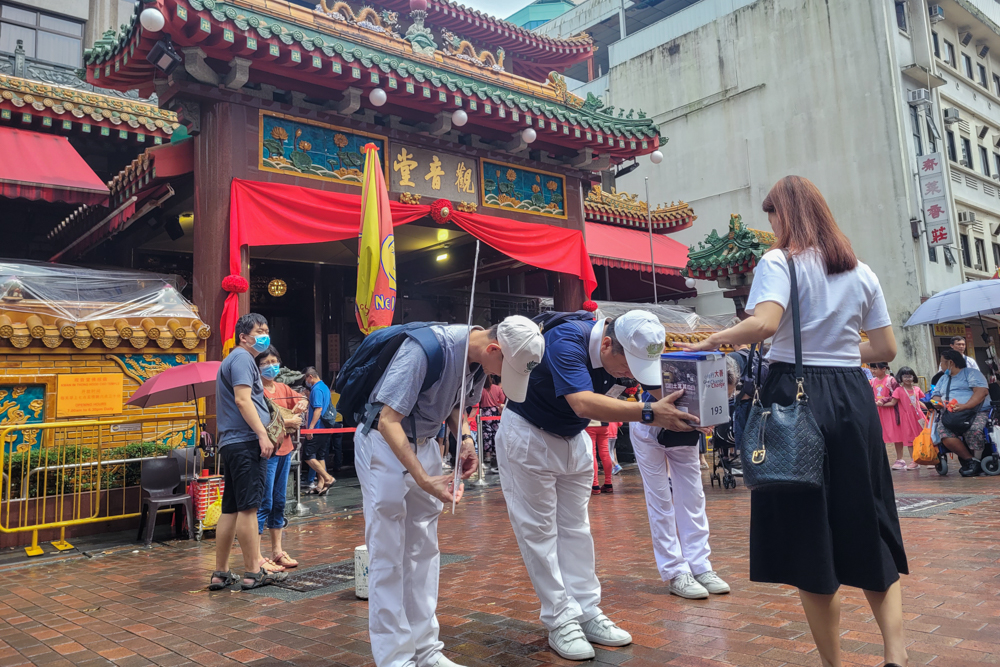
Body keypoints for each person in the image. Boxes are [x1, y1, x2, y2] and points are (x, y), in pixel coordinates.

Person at [680, 176, 907, 667]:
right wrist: (839, 350)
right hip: (853, 397)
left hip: (794, 394)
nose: (772, 225)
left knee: (810, 532)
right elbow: (885, 349)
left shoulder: (778, 261)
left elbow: (764, 323)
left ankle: (834, 663)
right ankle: (896, 655)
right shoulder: (861, 270)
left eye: (772, 215)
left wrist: (713, 340)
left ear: (783, 215)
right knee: (867, 519)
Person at [496, 310, 699, 661]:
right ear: (606, 344)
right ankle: (560, 619)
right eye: (627, 366)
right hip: (528, 433)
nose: (630, 375)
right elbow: (582, 402)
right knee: (539, 532)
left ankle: (587, 611)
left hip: (573, 438)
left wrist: (697, 412)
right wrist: (649, 413)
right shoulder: (566, 340)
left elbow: (658, 389)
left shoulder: (616, 355)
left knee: (577, 529)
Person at [355, 316, 545, 667]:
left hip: (426, 442)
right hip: (383, 444)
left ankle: (426, 650)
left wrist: (466, 438)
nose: (499, 378)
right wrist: (423, 478)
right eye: (504, 370)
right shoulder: (425, 350)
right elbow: (387, 420)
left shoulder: (478, 362)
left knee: (424, 550)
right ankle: (395, 659)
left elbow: (455, 404)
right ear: (494, 349)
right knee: (388, 552)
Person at [208, 313, 289, 591]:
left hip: (232, 443)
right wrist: (262, 434)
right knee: (249, 508)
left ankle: (221, 572)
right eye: (259, 331)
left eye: (266, 330)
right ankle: (254, 572)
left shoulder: (234, 360)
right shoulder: (243, 359)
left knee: (230, 508)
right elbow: (244, 401)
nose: (265, 336)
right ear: (243, 337)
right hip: (245, 442)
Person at [631, 388, 730, 599]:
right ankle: (675, 570)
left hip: (685, 431)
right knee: (660, 500)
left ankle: (700, 565)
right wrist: (692, 413)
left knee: (693, 498)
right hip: (651, 424)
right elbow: (651, 385)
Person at [256, 346, 307, 569]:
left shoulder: (282, 387)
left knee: (279, 502)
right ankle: (256, 556)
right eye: (265, 363)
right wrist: (287, 422)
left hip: (285, 449)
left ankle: (277, 551)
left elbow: (301, 398)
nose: (271, 366)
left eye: (274, 361)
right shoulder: (255, 391)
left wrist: (302, 402)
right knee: (263, 503)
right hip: (267, 452)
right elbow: (257, 421)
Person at [932, 349, 990, 477]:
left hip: (975, 411)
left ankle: (977, 458)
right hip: (951, 413)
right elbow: (936, 395)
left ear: (950, 363)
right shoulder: (943, 378)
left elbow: (981, 392)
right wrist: (937, 403)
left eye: (942, 362)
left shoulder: (972, 374)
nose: (941, 365)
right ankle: (971, 461)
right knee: (943, 432)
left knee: (974, 430)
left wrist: (965, 406)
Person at [302, 367, 336, 495]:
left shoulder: (316, 389)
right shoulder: (324, 387)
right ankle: (320, 485)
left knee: (308, 455)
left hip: (317, 428)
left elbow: (318, 409)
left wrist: (310, 428)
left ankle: (328, 478)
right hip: (325, 428)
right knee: (320, 456)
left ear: (310, 376)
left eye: (305, 378)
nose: (306, 382)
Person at [870, 363, 905, 470]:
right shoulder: (872, 381)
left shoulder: (891, 380)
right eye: (872, 368)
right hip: (878, 411)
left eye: (875, 368)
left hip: (891, 411)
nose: (873, 371)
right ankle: (881, 460)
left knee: (896, 434)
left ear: (884, 368)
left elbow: (896, 394)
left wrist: (883, 400)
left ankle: (900, 458)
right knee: (880, 435)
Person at [892, 367, 926, 471]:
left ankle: (929, 459)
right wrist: (880, 404)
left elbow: (918, 401)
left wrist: (928, 408)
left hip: (919, 417)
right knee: (910, 440)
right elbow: (893, 402)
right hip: (907, 419)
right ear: (900, 378)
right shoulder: (898, 390)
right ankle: (914, 461)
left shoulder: (917, 389)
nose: (907, 378)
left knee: (924, 437)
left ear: (913, 377)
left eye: (910, 376)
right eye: (905, 376)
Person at [478, 375, 505, 469]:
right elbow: (502, 400)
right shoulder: (497, 388)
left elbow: (478, 401)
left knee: (487, 435)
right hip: (495, 412)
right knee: (496, 433)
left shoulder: (481, 390)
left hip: (485, 413)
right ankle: (497, 453)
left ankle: (488, 455)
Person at [586, 420, 614, 494]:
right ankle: (608, 483)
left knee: (592, 453)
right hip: (604, 424)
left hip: (590, 424)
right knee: (605, 453)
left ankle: (595, 485)